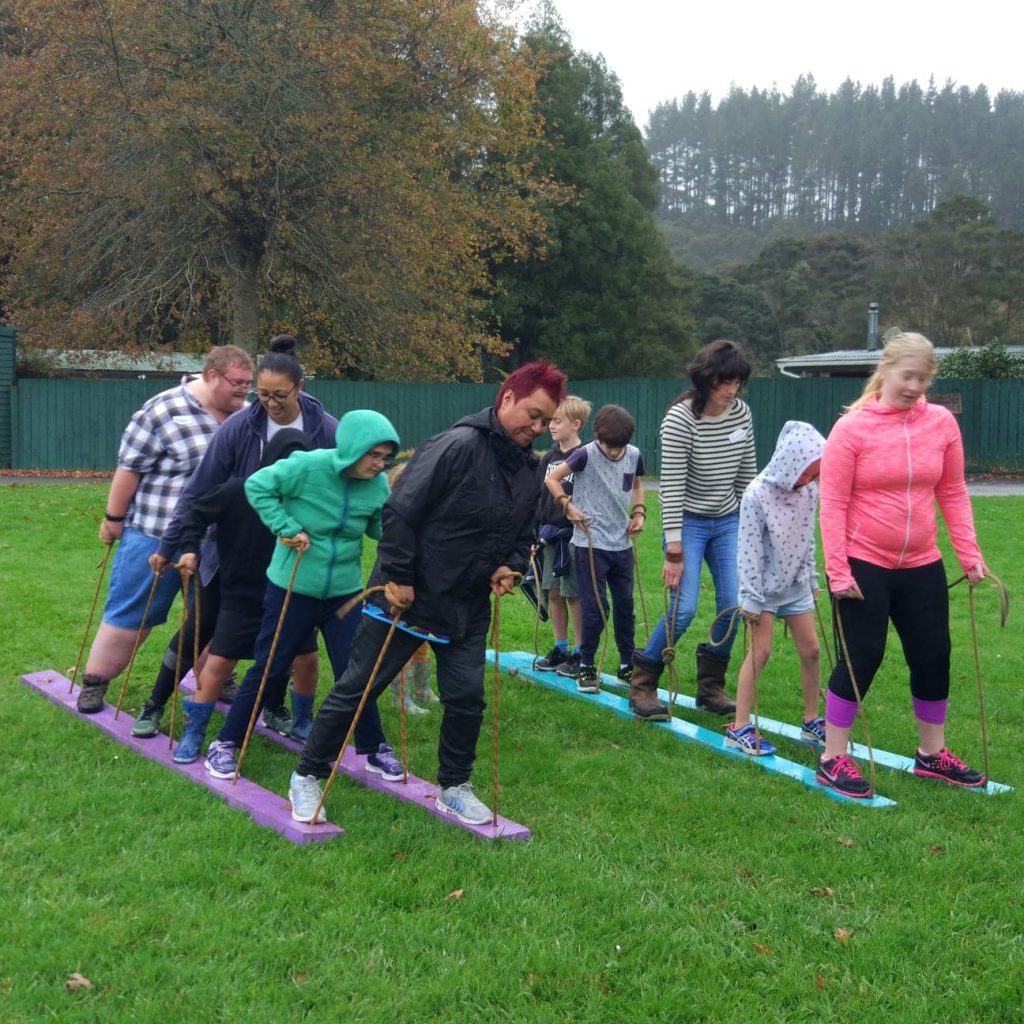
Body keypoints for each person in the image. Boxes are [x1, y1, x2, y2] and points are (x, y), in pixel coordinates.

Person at [287, 359, 568, 826]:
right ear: (507, 398)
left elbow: (524, 529)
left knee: (466, 698)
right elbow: (399, 511)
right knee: (358, 689)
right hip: (407, 599)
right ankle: (307, 775)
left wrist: (511, 566)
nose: (537, 428)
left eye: (546, 421)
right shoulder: (456, 445)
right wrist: (398, 576)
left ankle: (454, 786)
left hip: (466, 606)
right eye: (532, 415)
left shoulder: (527, 467)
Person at [130, 335, 335, 739]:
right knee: (200, 629)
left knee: (284, 635)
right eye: (261, 394)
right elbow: (199, 492)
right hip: (230, 552)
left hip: (292, 554)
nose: (269, 403)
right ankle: (154, 705)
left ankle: (275, 708)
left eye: (279, 395)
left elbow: (342, 484)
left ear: (300, 386)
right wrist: (172, 546)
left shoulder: (325, 429)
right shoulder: (241, 426)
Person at [816, 332, 988, 797]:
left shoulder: (941, 425)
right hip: (863, 562)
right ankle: (833, 755)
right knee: (863, 657)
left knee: (933, 654)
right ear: (885, 370)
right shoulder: (852, 428)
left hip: (922, 564)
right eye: (907, 375)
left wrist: (969, 554)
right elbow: (831, 502)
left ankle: (932, 755)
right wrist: (838, 569)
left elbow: (952, 492)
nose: (914, 386)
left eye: (923, 378)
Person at [203, 409, 402, 781]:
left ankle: (374, 747)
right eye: (374, 455)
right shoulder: (308, 467)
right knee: (271, 666)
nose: (380, 464)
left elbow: (377, 528)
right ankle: (226, 743)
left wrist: (400, 527)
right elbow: (257, 486)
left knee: (355, 671)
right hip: (293, 587)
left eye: (385, 458)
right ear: (352, 447)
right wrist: (286, 526)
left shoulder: (376, 486)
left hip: (344, 593)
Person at [75, 346, 254, 714]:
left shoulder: (247, 418)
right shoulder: (163, 410)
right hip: (156, 534)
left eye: (247, 385)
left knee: (217, 619)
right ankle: (95, 682)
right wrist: (113, 519)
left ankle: (217, 679)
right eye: (237, 384)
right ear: (211, 375)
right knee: (133, 615)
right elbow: (129, 468)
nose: (243, 392)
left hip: (220, 545)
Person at [171, 428, 315, 762]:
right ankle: (194, 731)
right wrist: (190, 548)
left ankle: (303, 722)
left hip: (291, 595)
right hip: (242, 596)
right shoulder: (239, 491)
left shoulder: (306, 504)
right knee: (218, 664)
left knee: (306, 660)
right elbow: (195, 511)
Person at [630, 339, 756, 720]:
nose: (730, 390)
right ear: (706, 379)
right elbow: (672, 486)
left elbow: (746, 475)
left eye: (736, 382)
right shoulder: (681, 419)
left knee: (733, 605)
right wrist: (674, 551)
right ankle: (644, 683)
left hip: (728, 519)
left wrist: (750, 530)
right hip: (688, 521)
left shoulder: (742, 414)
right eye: (723, 382)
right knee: (683, 610)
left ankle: (711, 687)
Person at [726, 421, 826, 756]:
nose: (809, 481)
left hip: (795, 584)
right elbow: (748, 550)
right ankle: (739, 727)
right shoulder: (757, 495)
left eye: (815, 475)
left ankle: (812, 719)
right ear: (789, 463)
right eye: (805, 473)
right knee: (762, 651)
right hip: (763, 591)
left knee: (811, 650)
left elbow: (807, 536)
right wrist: (751, 599)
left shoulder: (809, 490)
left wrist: (811, 577)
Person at [545, 404, 645, 696]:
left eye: (620, 446)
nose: (615, 453)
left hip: (622, 546)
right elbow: (552, 479)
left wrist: (639, 513)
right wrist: (568, 506)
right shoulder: (584, 454)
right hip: (589, 545)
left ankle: (627, 663)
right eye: (610, 446)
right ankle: (587, 665)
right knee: (596, 609)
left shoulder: (635, 455)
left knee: (626, 606)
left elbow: (637, 486)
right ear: (598, 436)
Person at [533, 396, 591, 676]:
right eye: (550, 421)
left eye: (557, 421)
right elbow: (539, 498)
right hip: (548, 538)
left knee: (574, 595)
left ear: (575, 424)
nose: (551, 426)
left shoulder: (585, 457)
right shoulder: (549, 458)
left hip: (573, 538)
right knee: (553, 593)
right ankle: (561, 648)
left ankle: (581, 653)